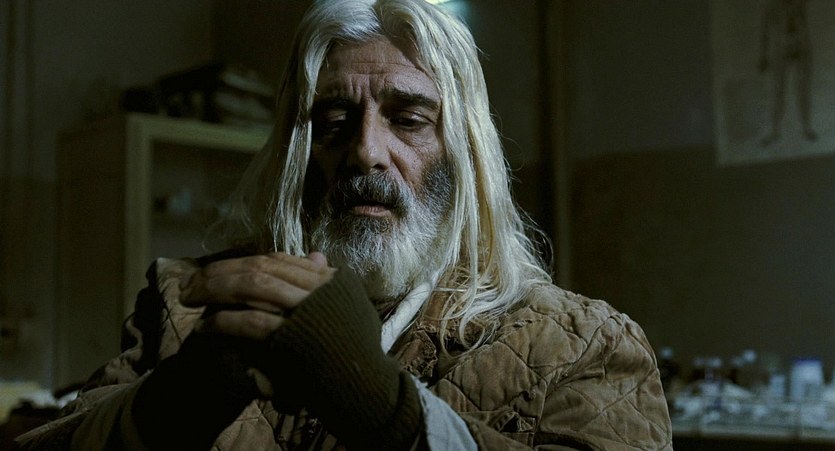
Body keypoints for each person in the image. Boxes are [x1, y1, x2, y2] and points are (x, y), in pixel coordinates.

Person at [16, 0, 672, 449]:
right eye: (333, 122)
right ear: (299, 153)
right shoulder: (186, 308)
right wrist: (171, 403)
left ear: (464, 152)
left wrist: (390, 413)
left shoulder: (581, 345)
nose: (365, 151)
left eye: (408, 120)